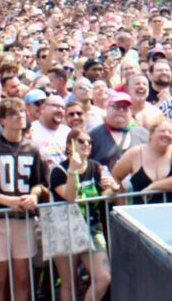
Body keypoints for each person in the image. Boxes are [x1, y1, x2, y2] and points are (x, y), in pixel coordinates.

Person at [0, 97, 47, 301]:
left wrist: (33, 195)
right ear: (3, 120)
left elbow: (40, 183)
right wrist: (7, 201)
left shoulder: (32, 148)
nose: (20, 117)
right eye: (14, 114)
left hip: (23, 220)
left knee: (22, 279)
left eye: (22, 112)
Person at [48, 128, 119, 301]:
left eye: (89, 141)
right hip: (65, 229)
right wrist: (73, 170)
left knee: (104, 277)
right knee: (68, 282)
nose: (86, 144)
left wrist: (112, 188)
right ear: (69, 145)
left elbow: (107, 194)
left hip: (91, 227)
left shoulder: (96, 167)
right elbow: (71, 197)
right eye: (81, 141)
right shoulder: (58, 171)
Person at [111, 117, 172, 203]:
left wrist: (153, 186)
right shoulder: (135, 152)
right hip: (141, 211)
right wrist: (121, 203)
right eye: (162, 131)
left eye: (171, 132)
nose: (167, 134)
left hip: (171, 209)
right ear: (151, 134)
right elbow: (115, 176)